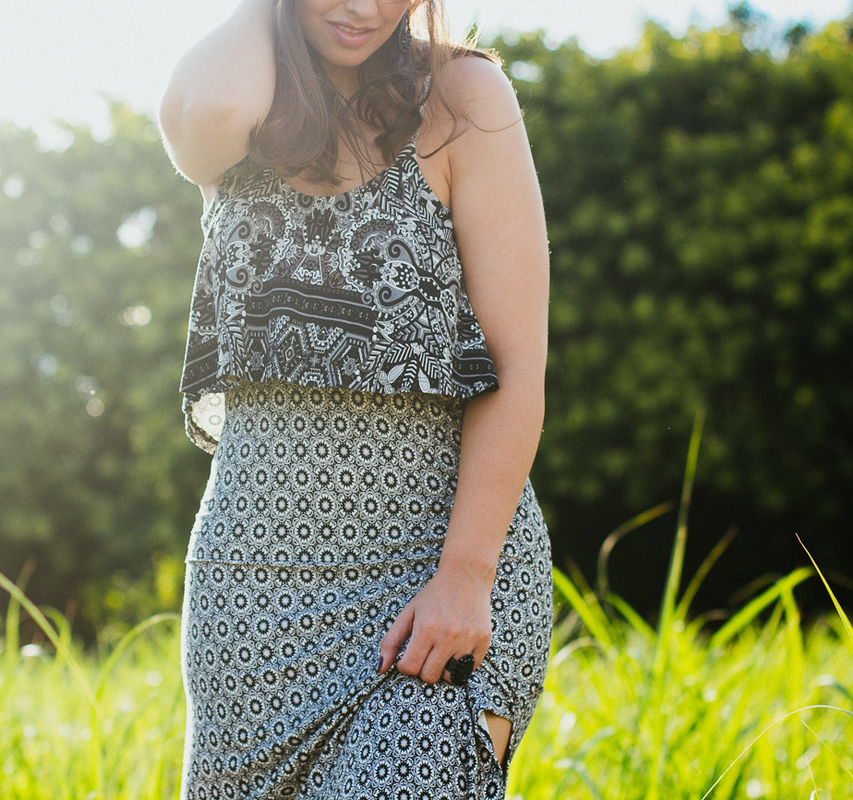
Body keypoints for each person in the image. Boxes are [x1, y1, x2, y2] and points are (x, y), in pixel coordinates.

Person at [160, 0, 552, 796]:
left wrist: (466, 576)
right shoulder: (242, 101)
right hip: (252, 594)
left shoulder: (463, 98)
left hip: (436, 574)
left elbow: (517, 369)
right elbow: (214, 110)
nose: (363, 5)